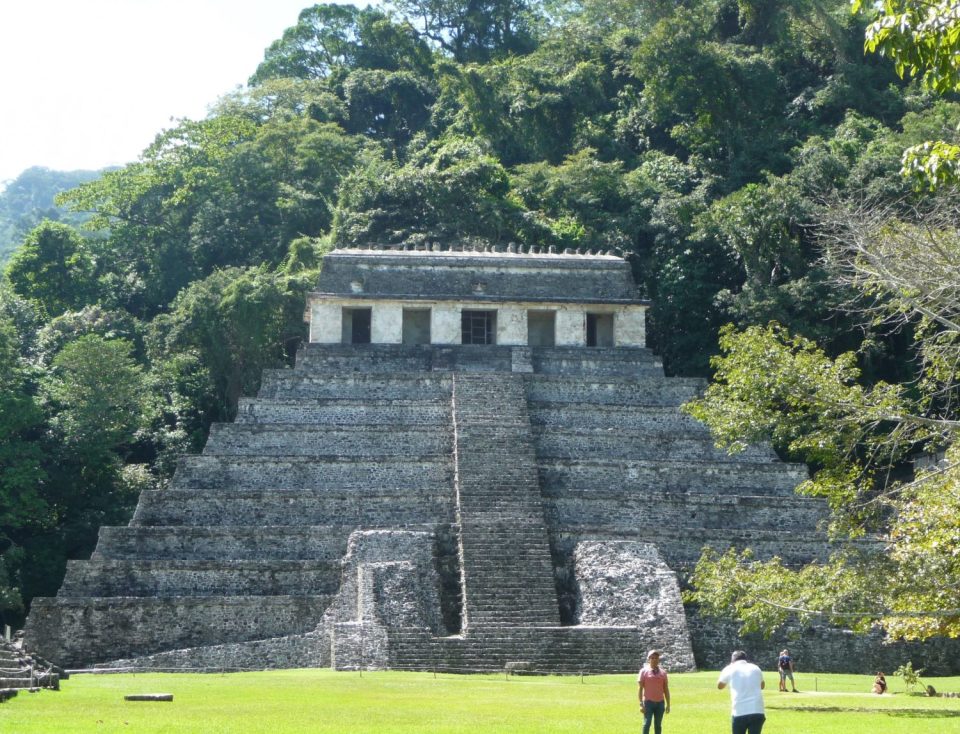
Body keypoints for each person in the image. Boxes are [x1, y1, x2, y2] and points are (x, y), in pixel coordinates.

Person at [718, 650, 766, 734]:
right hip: (757, 710)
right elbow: (762, 686)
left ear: (732, 660)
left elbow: (720, 686)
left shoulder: (729, 668)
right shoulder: (756, 668)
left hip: (740, 711)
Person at [638, 649, 670, 734]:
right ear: (649, 659)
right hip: (648, 703)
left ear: (659, 659)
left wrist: (668, 704)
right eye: (652, 658)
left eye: (656, 658)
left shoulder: (663, 673)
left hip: (660, 703)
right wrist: (641, 704)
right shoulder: (643, 671)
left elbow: (666, 689)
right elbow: (640, 689)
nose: (654, 659)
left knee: (658, 725)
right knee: (646, 724)